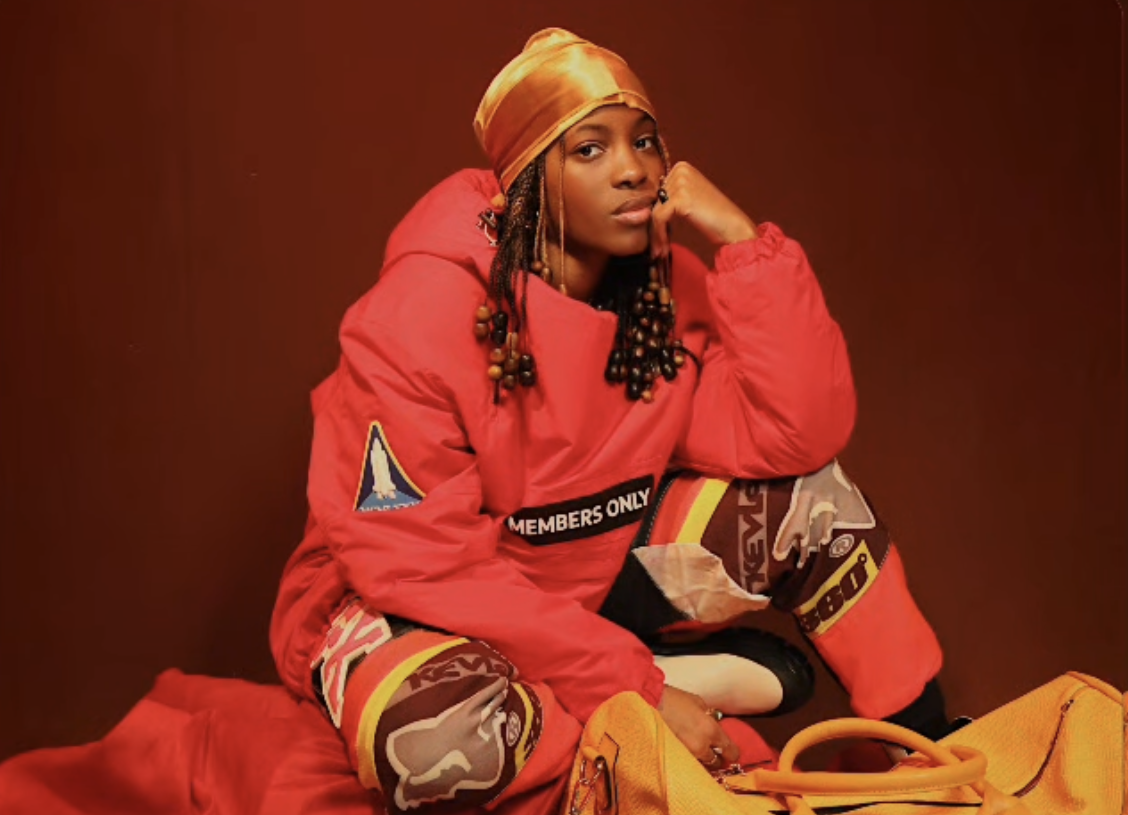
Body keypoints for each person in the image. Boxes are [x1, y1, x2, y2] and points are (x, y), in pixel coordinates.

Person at [268, 27, 950, 815]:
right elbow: (423, 569)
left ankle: (927, 755)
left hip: (582, 582)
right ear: (528, 181)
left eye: (644, 141)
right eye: (589, 149)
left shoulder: (658, 292)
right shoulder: (416, 316)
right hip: (419, 606)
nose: (633, 169)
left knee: (814, 500)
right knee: (434, 748)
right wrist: (639, 691)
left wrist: (742, 244)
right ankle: (647, 730)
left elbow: (799, 433)